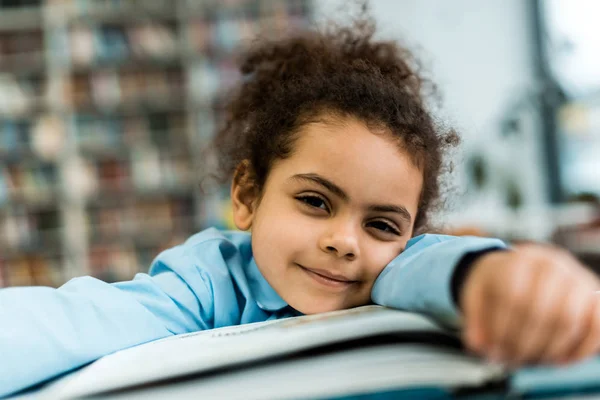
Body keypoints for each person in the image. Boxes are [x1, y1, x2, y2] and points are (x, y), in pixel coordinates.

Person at [2, 13, 600, 398]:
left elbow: (434, 264)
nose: (345, 240)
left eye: (381, 224)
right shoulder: (209, 280)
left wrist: (491, 275)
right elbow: (86, 319)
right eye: (315, 202)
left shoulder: (395, 265)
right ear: (248, 196)